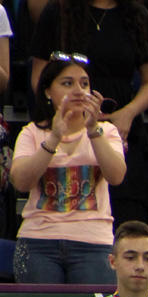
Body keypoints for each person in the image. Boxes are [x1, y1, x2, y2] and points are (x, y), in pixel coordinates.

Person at [31, 0, 148, 226]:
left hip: (121, 121)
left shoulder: (138, 15)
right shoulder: (58, 11)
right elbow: (39, 77)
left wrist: (127, 113)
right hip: (67, 124)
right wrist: (61, 116)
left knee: (126, 212)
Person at [11, 55, 126, 283]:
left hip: (93, 242)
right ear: (47, 92)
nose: (78, 90)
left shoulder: (106, 131)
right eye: (67, 83)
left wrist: (92, 130)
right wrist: (54, 137)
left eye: (84, 84)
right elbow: (21, 182)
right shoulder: (32, 133)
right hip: (38, 242)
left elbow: (116, 176)